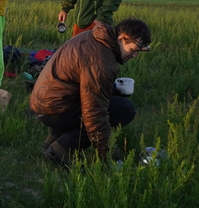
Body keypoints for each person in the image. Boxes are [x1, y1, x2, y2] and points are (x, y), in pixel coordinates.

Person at [29, 18, 151, 167]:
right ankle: (62, 149)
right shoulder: (101, 61)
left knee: (110, 94)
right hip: (55, 110)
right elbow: (94, 112)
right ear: (121, 38)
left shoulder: (94, 37)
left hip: (45, 103)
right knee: (124, 110)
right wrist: (106, 152)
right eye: (133, 50)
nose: (135, 56)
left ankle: (54, 139)